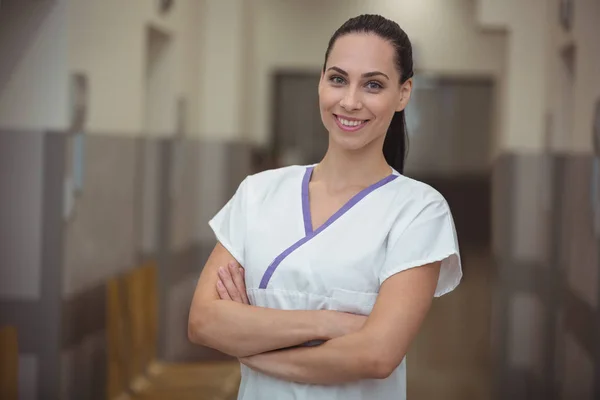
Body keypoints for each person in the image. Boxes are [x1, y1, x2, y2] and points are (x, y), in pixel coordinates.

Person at [188, 14, 462, 400]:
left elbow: (377, 355)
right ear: (321, 83)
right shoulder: (259, 193)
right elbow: (203, 321)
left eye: (373, 84)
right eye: (337, 79)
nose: (350, 101)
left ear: (403, 94)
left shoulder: (419, 211)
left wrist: (252, 346)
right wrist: (330, 322)